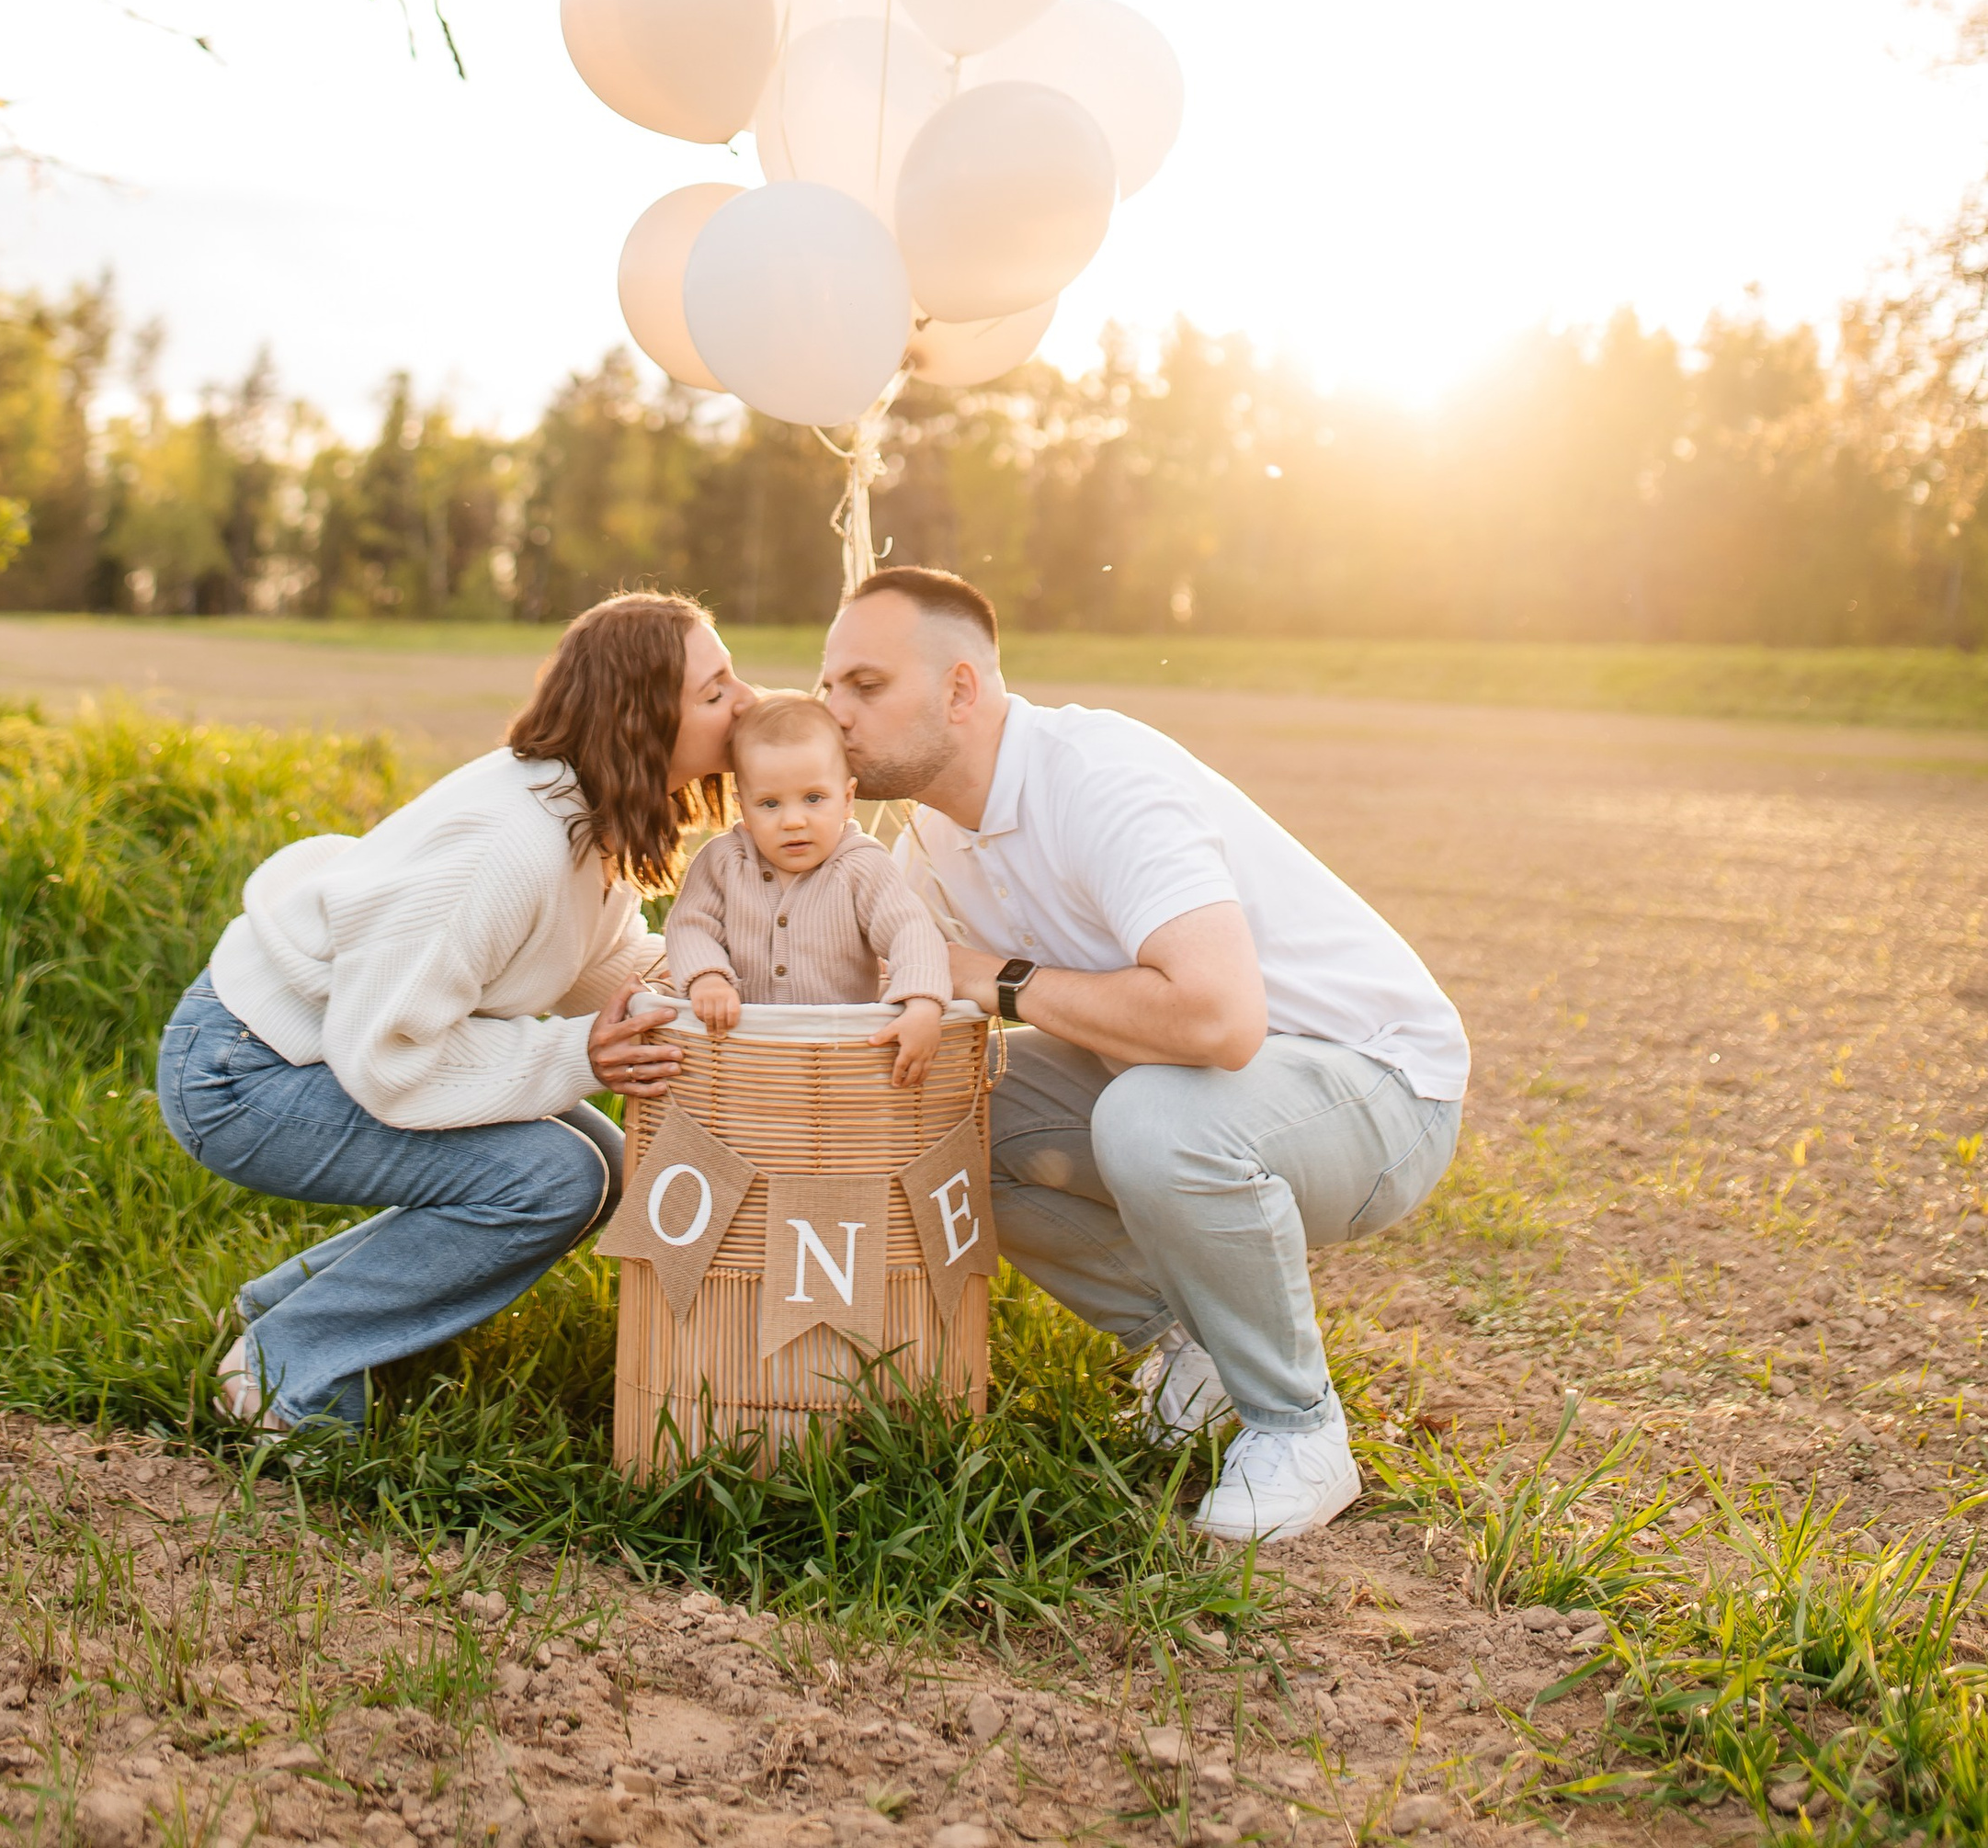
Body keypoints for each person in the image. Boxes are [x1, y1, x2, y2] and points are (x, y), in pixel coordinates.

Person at [819, 565, 1468, 1541]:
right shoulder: (928, 841)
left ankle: (1298, 1429)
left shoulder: (1098, 776)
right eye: (827, 686)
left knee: (1153, 1118)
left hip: (1380, 1090)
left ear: (959, 689)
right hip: (1205, 1088)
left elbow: (1217, 1020)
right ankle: (1197, 1357)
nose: (834, 713)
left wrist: (990, 976)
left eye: (865, 686)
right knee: (944, 1111)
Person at [154, 592, 749, 1432]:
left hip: (317, 1050)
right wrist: (579, 1056)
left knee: (609, 1164)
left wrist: (740, 982)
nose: (746, 702)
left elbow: (601, 965)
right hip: (245, 1072)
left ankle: (278, 1312)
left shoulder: (583, 811)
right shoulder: (507, 846)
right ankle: (281, 1376)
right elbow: (388, 1053)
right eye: (716, 691)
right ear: (641, 718)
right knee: (554, 1179)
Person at [662, 691, 956, 1086]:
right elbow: (690, 925)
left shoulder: (861, 865)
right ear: (742, 807)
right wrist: (707, 978)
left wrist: (921, 1003)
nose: (793, 821)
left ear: (847, 799)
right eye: (769, 804)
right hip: (743, 1056)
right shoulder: (725, 861)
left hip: (840, 1058)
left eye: (814, 798)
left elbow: (909, 931)